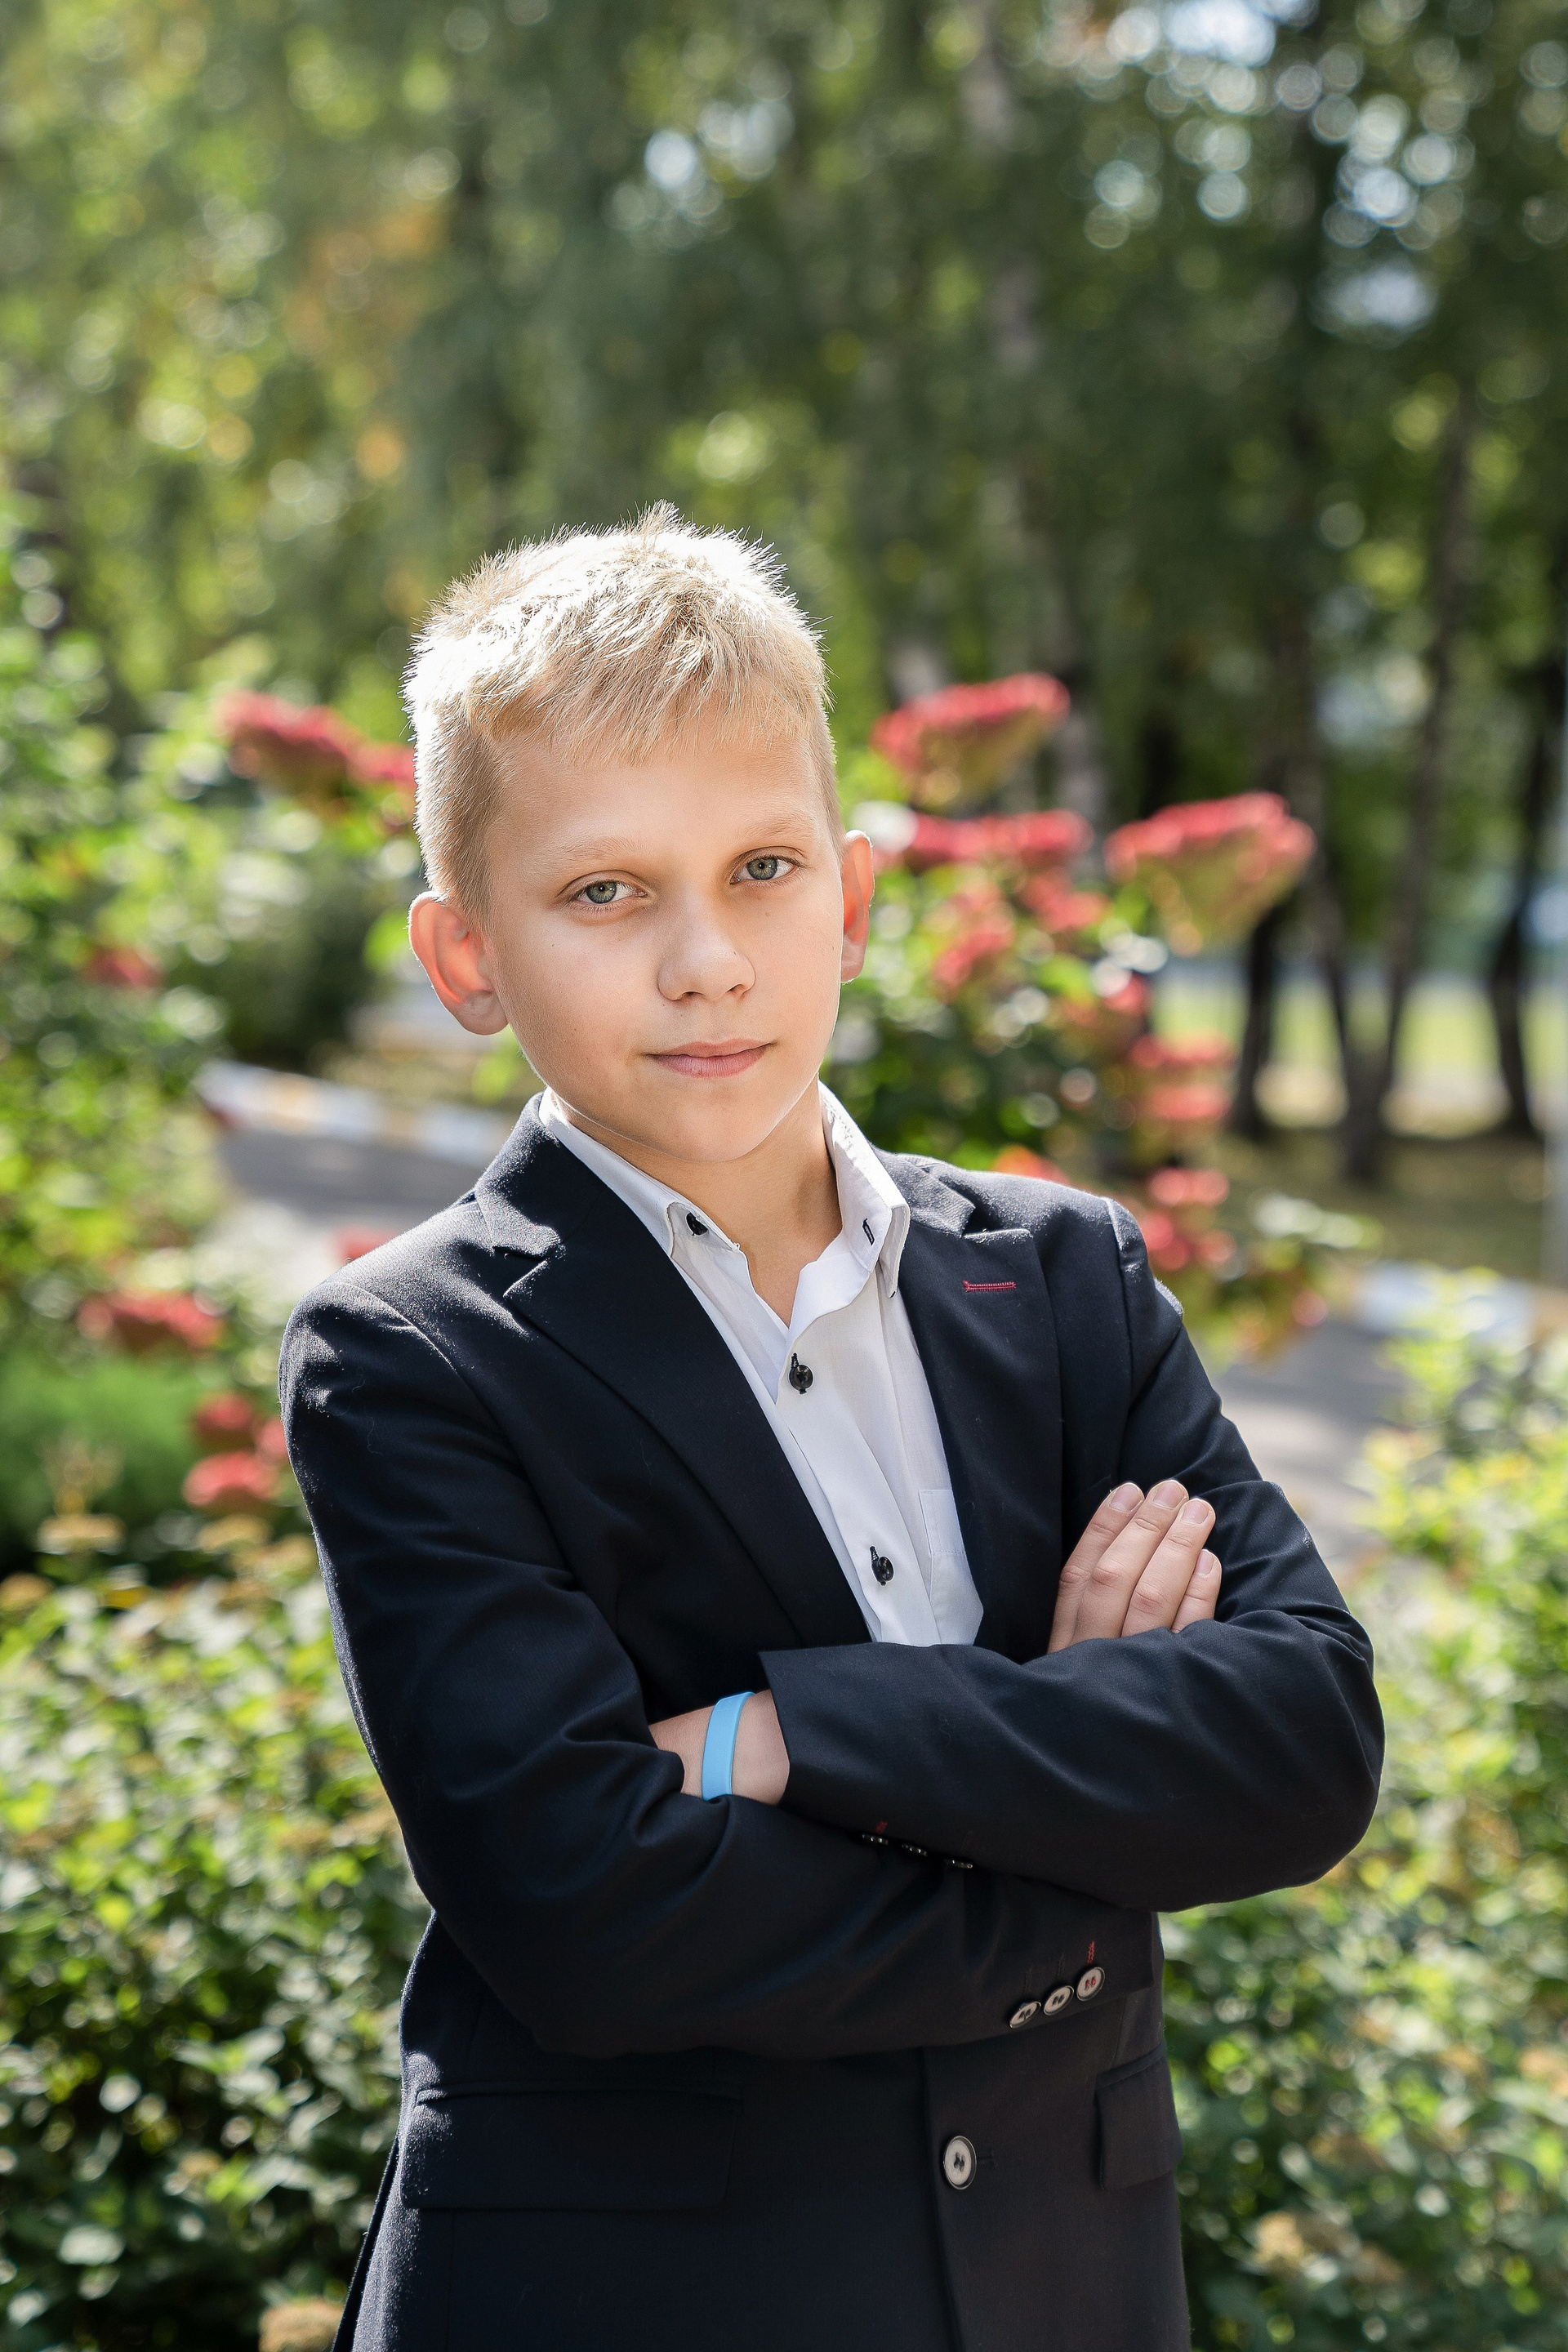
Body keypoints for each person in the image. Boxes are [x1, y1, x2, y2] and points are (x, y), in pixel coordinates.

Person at [280, 507, 1382, 2352]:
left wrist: (785, 1738)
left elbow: (1303, 1741)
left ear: (854, 900)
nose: (708, 960)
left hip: (1061, 2291)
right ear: (466, 958)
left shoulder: (1068, 1279)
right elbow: (592, 1914)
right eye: (605, 893)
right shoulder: (415, 1353)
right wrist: (1086, 1853)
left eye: (765, 868)